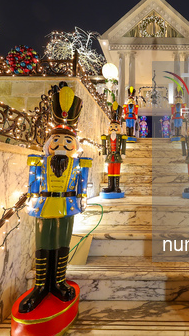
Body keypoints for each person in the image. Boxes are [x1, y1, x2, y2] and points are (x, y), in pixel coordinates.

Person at [21, 83, 92, 313]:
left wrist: (82, 198)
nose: (61, 144)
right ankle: (40, 285)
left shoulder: (79, 165)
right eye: (57, 140)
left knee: (63, 242)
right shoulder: (39, 162)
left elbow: (81, 185)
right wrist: (32, 196)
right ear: (48, 144)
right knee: (44, 243)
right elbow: (33, 181)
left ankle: (58, 281)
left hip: (67, 204)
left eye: (67, 141)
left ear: (75, 145)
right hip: (43, 204)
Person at [101, 103, 127, 193]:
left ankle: (116, 186)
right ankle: (110, 186)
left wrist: (123, 153)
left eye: (116, 127)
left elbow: (123, 144)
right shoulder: (106, 137)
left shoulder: (120, 137)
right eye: (111, 127)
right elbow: (104, 144)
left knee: (116, 170)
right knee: (110, 171)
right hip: (109, 156)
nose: (113, 128)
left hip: (117, 156)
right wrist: (104, 152)